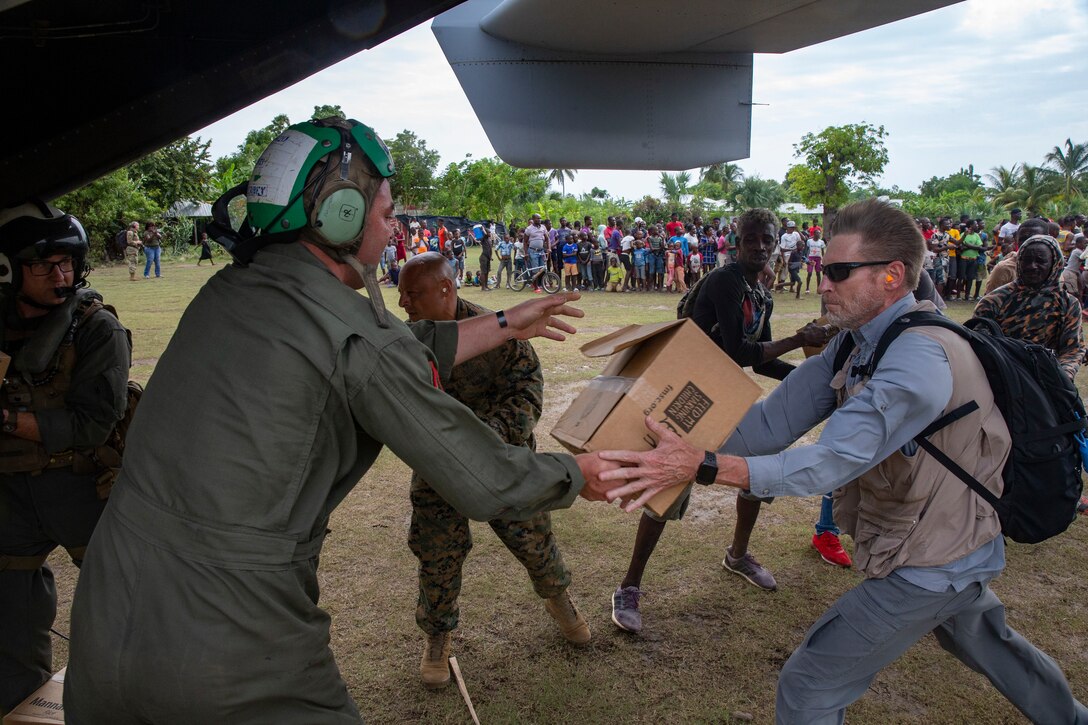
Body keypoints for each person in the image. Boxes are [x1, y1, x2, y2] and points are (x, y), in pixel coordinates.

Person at [62, 117, 619, 722]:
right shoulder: (355, 338)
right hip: (230, 636)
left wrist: (506, 321)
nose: (392, 228)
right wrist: (575, 473)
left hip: (109, 609)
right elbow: (484, 481)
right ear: (341, 218)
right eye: (384, 214)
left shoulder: (228, 290)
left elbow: (385, 347)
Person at [600, 199, 1088, 725]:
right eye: (822, 269)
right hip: (942, 546)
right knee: (998, 650)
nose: (823, 283)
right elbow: (767, 427)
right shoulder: (855, 345)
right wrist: (658, 434)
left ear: (892, 277)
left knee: (809, 687)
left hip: (934, 560)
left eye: (838, 272)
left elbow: (834, 461)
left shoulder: (919, 357)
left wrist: (707, 466)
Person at [608, 208, 835, 634]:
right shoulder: (726, 280)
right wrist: (799, 340)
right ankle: (629, 586)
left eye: (768, 239)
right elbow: (737, 352)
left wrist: (808, 376)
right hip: (688, 397)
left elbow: (762, 363)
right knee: (669, 487)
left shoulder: (760, 291)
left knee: (756, 470)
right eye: (752, 239)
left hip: (724, 397)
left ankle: (737, 554)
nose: (761, 247)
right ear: (737, 241)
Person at [397, 254, 589, 689]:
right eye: (402, 292)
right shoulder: (409, 343)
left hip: (503, 458)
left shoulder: (498, 330)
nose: (403, 301)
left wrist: (488, 439)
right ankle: (437, 636)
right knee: (436, 553)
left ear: (446, 289)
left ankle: (559, 601)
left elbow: (528, 391)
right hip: (438, 466)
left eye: (413, 292)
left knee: (534, 541)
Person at [0, 202, 131, 713]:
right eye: (45, 265)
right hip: (10, 496)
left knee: (122, 611)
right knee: (11, 625)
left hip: (84, 488)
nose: (61, 275)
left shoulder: (97, 329)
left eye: (68, 263)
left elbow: (92, 425)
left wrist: (9, 421)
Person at [974, 234, 1083, 381]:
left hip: (1048, 377)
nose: (1032, 266)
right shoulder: (995, 300)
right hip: (1000, 376)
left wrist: (1063, 376)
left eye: (1040, 261)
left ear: (1055, 263)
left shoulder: (1068, 304)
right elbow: (978, 342)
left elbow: (1072, 349)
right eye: (1026, 260)